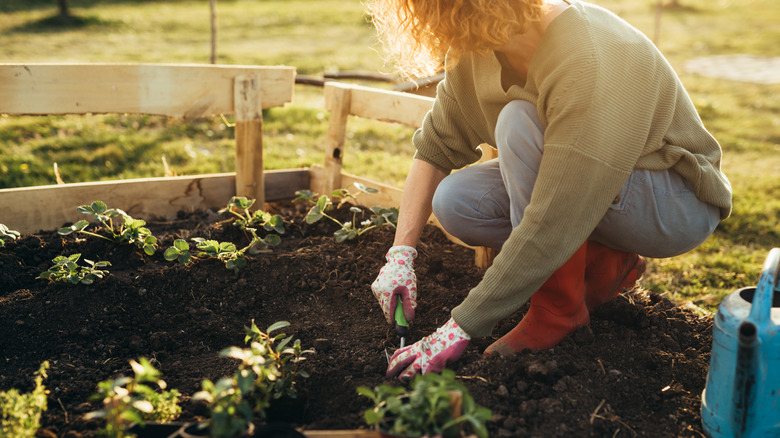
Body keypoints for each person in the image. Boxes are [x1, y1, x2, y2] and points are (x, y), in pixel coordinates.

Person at [367, 0, 732, 379]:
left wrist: (458, 329)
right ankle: (603, 261)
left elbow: (554, 216)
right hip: (598, 189)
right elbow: (434, 147)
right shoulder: (479, 50)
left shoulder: (585, 55)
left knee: (517, 122)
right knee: (457, 201)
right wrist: (400, 255)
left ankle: (558, 310)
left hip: (674, 201)